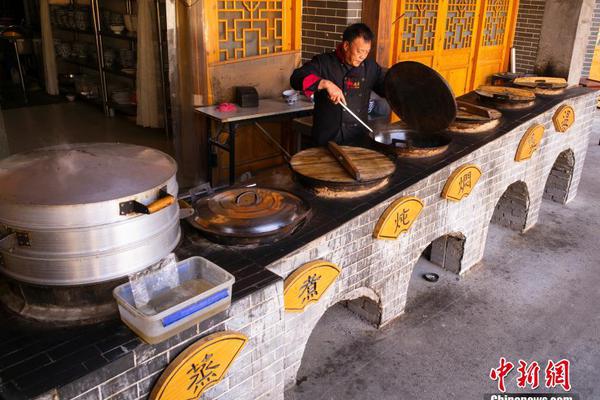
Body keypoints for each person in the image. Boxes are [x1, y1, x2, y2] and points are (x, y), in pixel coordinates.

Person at [290, 23, 387, 146]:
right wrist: (324, 83)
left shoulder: (371, 67)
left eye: (367, 52)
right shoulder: (324, 63)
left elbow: (386, 87)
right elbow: (296, 78)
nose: (363, 56)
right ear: (346, 45)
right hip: (328, 139)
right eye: (359, 51)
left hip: (359, 139)